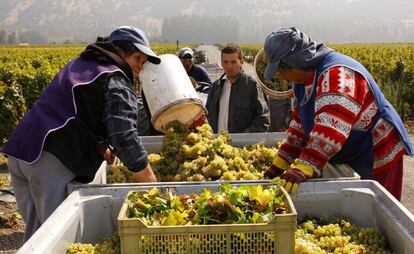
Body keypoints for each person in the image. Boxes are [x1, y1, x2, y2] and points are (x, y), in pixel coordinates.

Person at [2, 26, 160, 241]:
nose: (140, 66)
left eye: (144, 61)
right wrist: (148, 179)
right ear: (119, 50)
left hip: (20, 151)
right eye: (137, 57)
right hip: (49, 159)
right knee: (58, 238)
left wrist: (100, 142)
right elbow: (123, 134)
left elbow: (76, 109)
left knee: (37, 237)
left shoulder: (81, 64)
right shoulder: (115, 77)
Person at [262, 27, 413, 200]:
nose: (280, 76)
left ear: (294, 62)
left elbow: (331, 128)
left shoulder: (337, 75)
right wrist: (281, 162)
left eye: (280, 70)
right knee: (354, 201)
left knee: (379, 205)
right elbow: (299, 125)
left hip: (376, 149)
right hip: (350, 149)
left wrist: (305, 166)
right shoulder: (301, 83)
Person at [206, 43, 270, 133]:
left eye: (233, 62)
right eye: (225, 62)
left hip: (241, 145)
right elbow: (208, 115)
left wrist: (245, 136)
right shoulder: (216, 86)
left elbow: (264, 119)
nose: (229, 66)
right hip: (218, 143)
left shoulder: (252, 86)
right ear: (221, 63)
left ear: (241, 62)